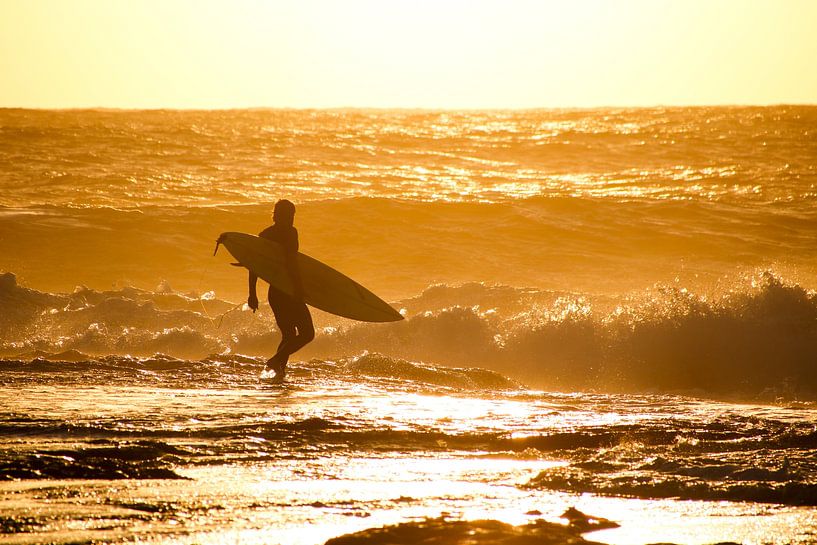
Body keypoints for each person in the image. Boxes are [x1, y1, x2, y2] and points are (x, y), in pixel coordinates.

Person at [248, 199, 314, 381]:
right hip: (289, 292)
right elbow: (292, 263)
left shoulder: (265, 234)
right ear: (280, 215)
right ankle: (275, 361)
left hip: (275, 293)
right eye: (290, 215)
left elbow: (255, 266)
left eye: (293, 215)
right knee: (308, 333)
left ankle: (278, 374)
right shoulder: (290, 233)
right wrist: (299, 289)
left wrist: (252, 293)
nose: (292, 219)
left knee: (288, 335)